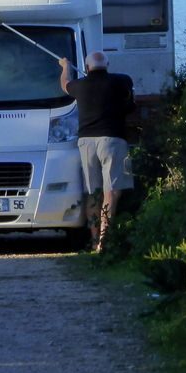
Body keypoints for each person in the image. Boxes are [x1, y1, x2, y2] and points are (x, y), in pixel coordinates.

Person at [59, 52, 136, 252]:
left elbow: (65, 84)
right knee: (111, 192)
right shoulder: (122, 81)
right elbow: (130, 101)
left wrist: (65, 66)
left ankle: (94, 241)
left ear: (86, 66)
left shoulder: (79, 86)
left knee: (93, 192)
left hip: (86, 142)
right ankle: (104, 241)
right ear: (107, 64)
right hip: (113, 139)